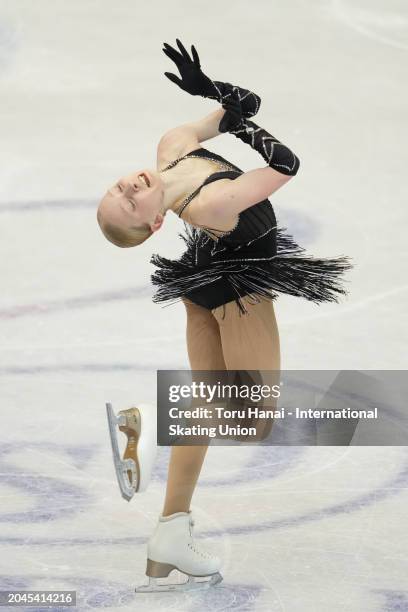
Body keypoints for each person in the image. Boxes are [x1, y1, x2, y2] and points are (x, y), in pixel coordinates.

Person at [98, 39, 352, 592]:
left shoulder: (172, 144)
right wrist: (234, 121)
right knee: (252, 419)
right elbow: (285, 164)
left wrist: (212, 91)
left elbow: (247, 104)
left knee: (212, 409)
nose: (130, 186)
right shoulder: (208, 205)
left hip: (203, 281)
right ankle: (144, 416)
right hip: (239, 290)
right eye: (131, 203)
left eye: (120, 187)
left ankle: (170, 530)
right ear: (155, 226)